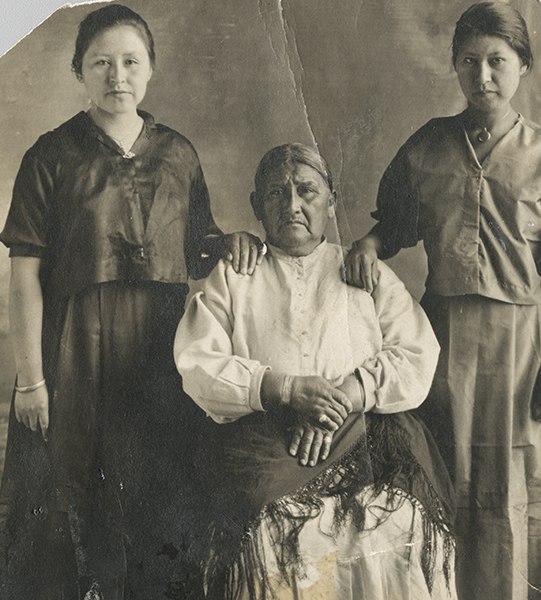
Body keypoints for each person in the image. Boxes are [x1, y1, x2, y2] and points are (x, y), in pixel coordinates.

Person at [0, 5, 263, 600]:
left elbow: (196, 251)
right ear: (80, 72)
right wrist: (31, 382)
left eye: (130, 62)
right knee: (65, 492)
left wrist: (230, 243)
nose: (117, 75)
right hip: (72, 348)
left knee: (157, 489)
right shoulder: (51, 154)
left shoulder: (178, 154)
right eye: (102, 63)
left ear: (150, 70)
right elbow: (24, 277)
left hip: (160, 348)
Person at [345, 3, 541, 599]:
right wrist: (370, 242)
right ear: (455, 68)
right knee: (447, 480)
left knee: (513, 486)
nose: (483, 76)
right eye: (470, 62)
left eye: (497, 62)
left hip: (524, 346)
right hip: (444, 340)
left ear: (523, 66)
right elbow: (398, 222)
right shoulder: (429, 145)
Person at [174, 143, 457, 600]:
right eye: (275, 194)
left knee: (391, 519)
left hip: (364, 434)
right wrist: (282, 389)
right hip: (265, 440)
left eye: (307, 191)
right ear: (255, 207)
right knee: (270, 532)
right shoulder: (235, 275)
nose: (292, 205)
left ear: (332, 200)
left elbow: (417, 353)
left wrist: (348, 394)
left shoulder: (364, 272)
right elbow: (199, 364)